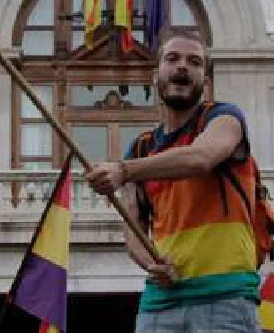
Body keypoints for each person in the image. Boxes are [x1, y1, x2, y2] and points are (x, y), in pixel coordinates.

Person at [85, 26, 260, 333]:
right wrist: (150, 263)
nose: (182, 66)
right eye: (173, 59)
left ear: (205, 81)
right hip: (160, 303)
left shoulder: (224, 118)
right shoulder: (141, 147)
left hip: (225, 300)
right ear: (156, 74)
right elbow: (134, 228)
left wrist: (124, 170)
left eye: (194, 62)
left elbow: (201, 158)